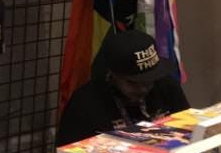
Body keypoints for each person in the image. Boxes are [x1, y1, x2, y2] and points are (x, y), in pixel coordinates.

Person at [57, 29, 188, 147]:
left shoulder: (166, 85)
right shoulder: (85, 103)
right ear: (113, 75)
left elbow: (188, 131)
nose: (144, 88)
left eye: (149, 80)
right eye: (134, 83)